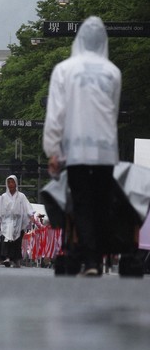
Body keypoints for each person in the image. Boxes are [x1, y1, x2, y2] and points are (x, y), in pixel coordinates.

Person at [43, 16, 121, 277]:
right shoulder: (113, 72)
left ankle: (90, 260)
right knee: (102, 202)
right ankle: (96, 256)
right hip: (106, 149)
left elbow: (56, 114)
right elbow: (114, 112)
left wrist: (53, 150)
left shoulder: (65, 70)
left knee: (82, 203)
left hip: (76, 150)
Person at [0, 175, 32, 268]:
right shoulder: (3, 196)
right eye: (9, 182)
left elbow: (27, 207)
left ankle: (16, 259)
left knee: (16, 241)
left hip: (18, 222)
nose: (11, 184)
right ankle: (7, 257)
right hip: (7, 221)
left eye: (12, 182)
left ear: (16, 183)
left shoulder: (21, 196)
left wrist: (30, 215)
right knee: (6, 239)